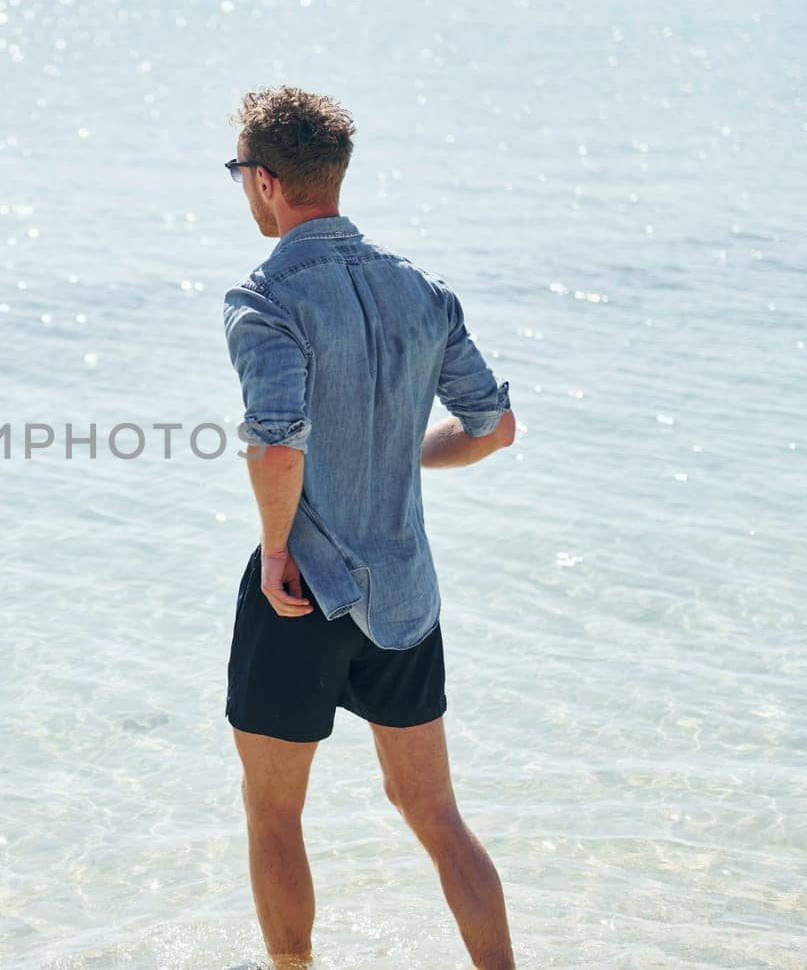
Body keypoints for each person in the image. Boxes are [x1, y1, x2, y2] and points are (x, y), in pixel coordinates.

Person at [221, 87, 518, 969]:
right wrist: (397, 452)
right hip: (404, 596)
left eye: (240, 172)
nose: (241, 187)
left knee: (274, 813)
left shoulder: (263, 297)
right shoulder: (422, 292)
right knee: (435, 813)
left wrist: (277, 552)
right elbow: (493, 426)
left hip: (303, 591)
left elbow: (277, 445)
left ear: (268, 182)